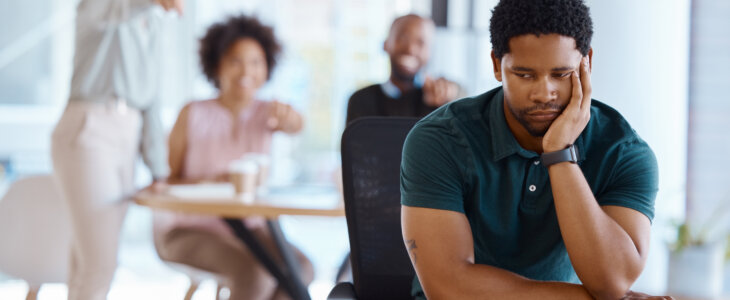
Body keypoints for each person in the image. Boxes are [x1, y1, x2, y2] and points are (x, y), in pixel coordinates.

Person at [400, 0, 673, 299]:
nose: (544, 94)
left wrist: (559, 155)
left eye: (561, 74)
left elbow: (612, 282)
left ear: (587, 63)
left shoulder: (623, 152)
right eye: (525, 75)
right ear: (496, 65)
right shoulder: (439, 139)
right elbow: (448, 287)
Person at [152, 15, 312, 300]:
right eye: (235, 60)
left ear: (267, 67)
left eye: (255, 62)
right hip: (186, 230)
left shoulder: (268, 113)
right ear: (216, 65)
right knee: (251, 272)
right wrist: (208, 182)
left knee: (300, 269)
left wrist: (292, 120)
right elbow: (166, 179)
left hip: (250, 228)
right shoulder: (192, 113)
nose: (245, 71)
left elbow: (296, 123)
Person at [50, 1, 182, 299]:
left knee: (88, 265)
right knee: (100, 266)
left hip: (128, 136)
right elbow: (108, 14)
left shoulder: (154, 23)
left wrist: (158, 168)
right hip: (90, 128)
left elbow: (151, 98)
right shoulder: (101, 6)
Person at [345, 14, 463, 125]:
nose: (410, 49)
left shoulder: (440, 100)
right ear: (385, 44)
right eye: (403, 38)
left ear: (429, 53)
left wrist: (452, 95)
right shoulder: (361, 101)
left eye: (421, 42)